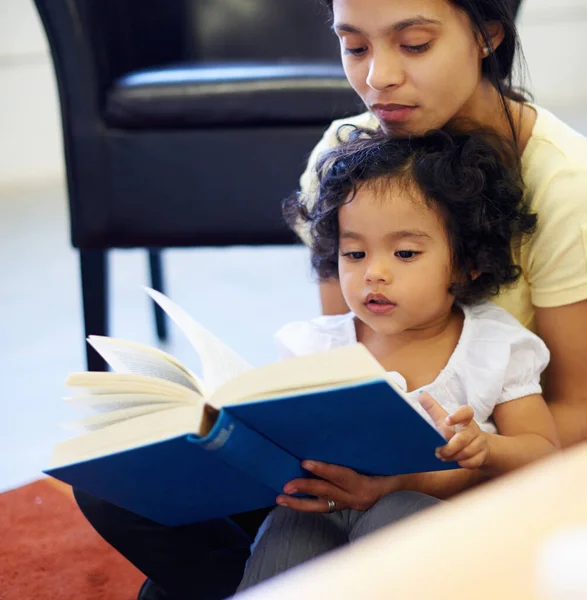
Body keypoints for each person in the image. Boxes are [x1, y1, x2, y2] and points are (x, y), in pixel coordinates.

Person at [74, 1, 587, 598]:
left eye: (414, 45)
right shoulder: (343, 157)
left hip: (482, 484)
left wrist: (427, 478)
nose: (378, 78)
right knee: (126, 484)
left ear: (487, 37)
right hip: (345, 486)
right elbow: (344, 353)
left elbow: (572, 420)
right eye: (355, 46)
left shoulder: (564, 183)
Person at [236, 125, 560, 591]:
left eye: (405, 252)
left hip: (439, 528)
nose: (375, 273)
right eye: (355, 252)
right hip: (322, 513)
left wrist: (485, 448)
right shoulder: (312, 347)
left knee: (398, 511)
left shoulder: (494, 345)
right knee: (289, 527)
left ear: (468, 261)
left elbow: (543, 452)